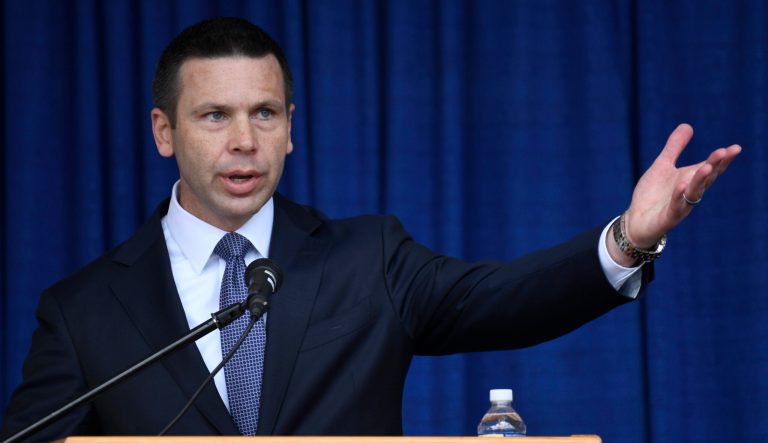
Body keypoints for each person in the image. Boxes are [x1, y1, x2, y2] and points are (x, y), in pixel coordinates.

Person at [0, 17, 740, 441]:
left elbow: (510, 297)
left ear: (292, 129)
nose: (244, 141)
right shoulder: (83, 309)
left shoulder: (367, 259)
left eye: (264, 113)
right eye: (213, 115)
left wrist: (628, 239)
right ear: (165, 131)